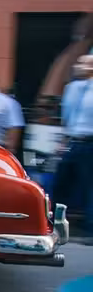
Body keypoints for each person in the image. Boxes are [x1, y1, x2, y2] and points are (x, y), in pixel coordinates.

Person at [53, 54, 93, 246]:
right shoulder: (72, 89)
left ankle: (90, 230)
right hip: (72, 141)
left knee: (89, 187)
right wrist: (63, 140)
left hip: (90, 142)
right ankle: (53, 223)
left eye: (84, 63)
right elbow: (67, 116)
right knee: (61, 183)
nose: (78, 66)